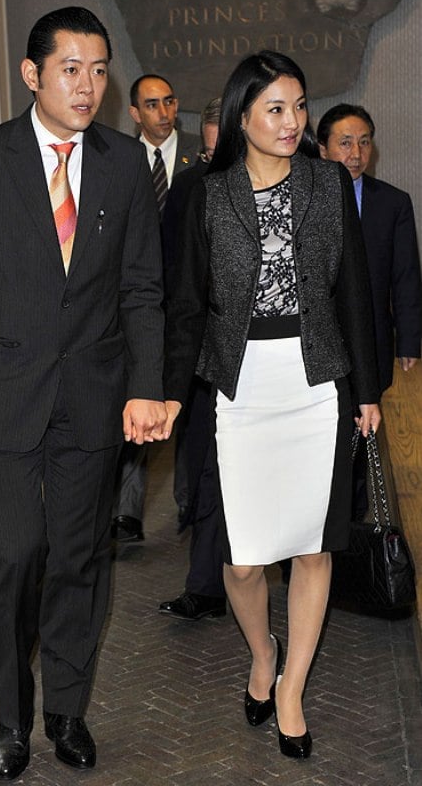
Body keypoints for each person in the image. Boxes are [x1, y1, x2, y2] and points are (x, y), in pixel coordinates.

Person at [0, 7, 166, 781]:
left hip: (93, 396)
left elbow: (141, 287)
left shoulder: (124, 164)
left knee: (78, 557)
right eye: (71, 69)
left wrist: (145, 386)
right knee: (17, 554)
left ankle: (65, 710)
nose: (87, 86)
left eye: (98, 70)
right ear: (32, 74)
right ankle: (11, 716)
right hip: (1, 397)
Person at [163, 51, 381, 760]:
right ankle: (262, 652)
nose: (293, 121)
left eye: (299, 105)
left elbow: (354, 291)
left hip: (316, 382)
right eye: (276, 109)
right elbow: (187, 304)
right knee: (245, 561)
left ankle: (290, 690)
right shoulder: (208, 193)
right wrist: (170, 395)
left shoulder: (327, 181)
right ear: (242, 117)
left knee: (313, 548)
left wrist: (367, 391)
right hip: (243, 385)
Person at [112, 74, 200, 544]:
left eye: (169, 102)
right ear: (134, 113)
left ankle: (190, 502)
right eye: (151, 105)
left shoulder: (200, 157)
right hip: (136, 302)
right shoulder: (119, 160)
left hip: (188, 299)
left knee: (185, 399)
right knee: (138, 396)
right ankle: (126, 512)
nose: (163, 113)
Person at [159, 97, 227, 621]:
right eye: (206, 153)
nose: (212, 162)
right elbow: (171, 275)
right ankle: (205, 586)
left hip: (267, 363)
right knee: (208, 472)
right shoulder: (189, 189)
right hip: (204, 360)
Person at [317, 103, 421, 394]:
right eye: (345, 143)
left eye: (364, 142)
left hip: (373, 338)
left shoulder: (393, 203)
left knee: (368, 417)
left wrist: (409, 340)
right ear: (323, 149)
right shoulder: (305, 200)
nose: (356, 154)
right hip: (319, 341)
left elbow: (406, 277)